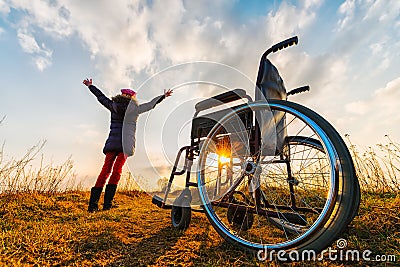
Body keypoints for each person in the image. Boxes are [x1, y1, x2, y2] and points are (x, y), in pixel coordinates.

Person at [83, 78, 173, 212]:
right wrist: (163, 97)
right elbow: (150, 105)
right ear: (132, 98)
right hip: (125, 145)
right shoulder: (135, 109)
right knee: (117, 171)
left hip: (112, 143)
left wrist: (91, 86)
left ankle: (93, 205)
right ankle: (107, 205)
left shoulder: (113, 105)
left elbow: (100, 97)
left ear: (121, 95)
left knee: (105, 170)